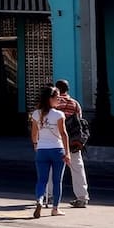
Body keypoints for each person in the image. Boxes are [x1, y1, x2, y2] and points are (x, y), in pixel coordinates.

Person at [29, 85, 71, 219]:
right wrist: (67, 152)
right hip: (57, 150)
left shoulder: (36, 113)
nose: (59, 100)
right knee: (57, 180)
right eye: (57, 97)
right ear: (50, 99)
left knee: (41, 180)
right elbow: (64, 134)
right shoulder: (59, 114)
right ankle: (55, 208)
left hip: (42, 149)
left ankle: (40, 199)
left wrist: (36, 144)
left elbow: (34, 133)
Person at [53, 80, 90, 208]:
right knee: (78, 168)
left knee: (52, 169)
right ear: (67, 89)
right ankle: (82, 197)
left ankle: (49, 196)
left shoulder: (55, 104)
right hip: (73, 142)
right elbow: (79, 122)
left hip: (57, 141)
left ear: (57, 89)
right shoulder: (75, 104)